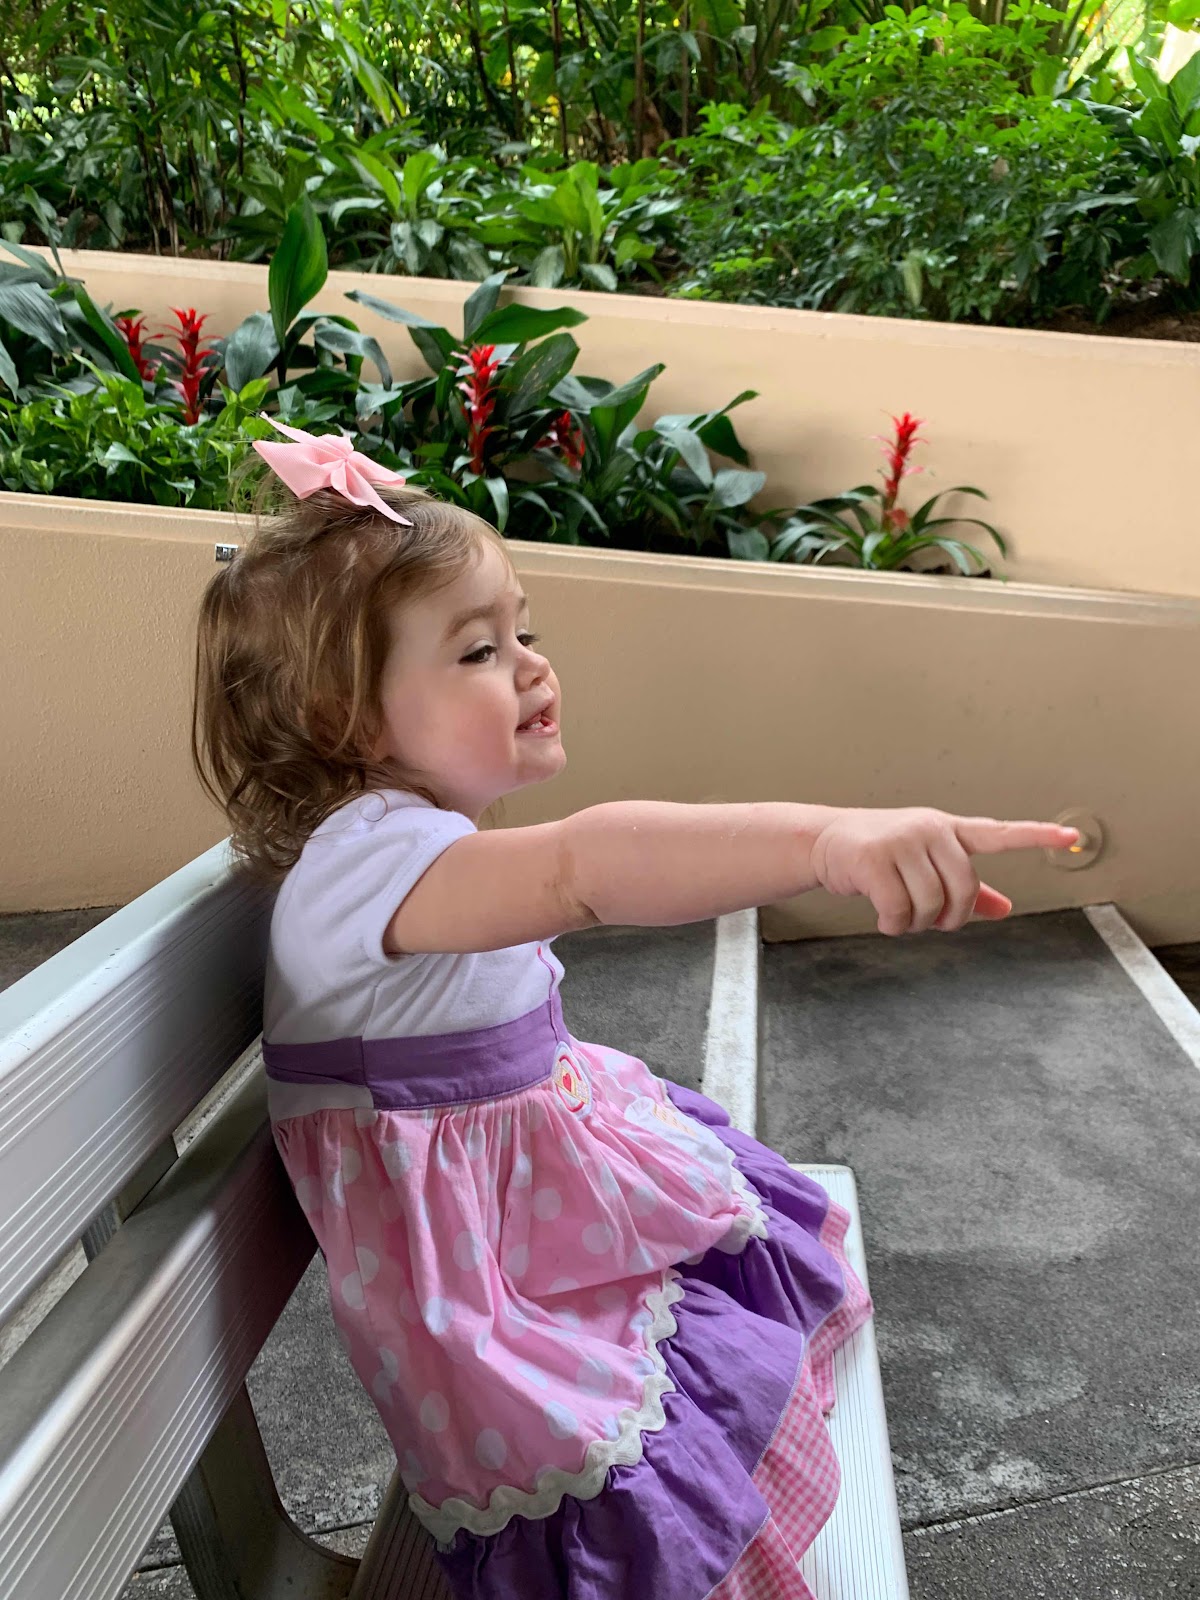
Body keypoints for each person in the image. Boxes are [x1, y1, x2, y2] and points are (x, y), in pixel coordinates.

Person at [191, 421, 1080, 1600]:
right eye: (478, 649)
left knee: (719, 1297)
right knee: (638, 1470)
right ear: (344, 720)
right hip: (499, 1305)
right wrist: (826, 840)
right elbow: (589, 867)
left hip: (530, 1230)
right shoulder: (368, 860)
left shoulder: (400, 846)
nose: (531, 667)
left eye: (526, 631)